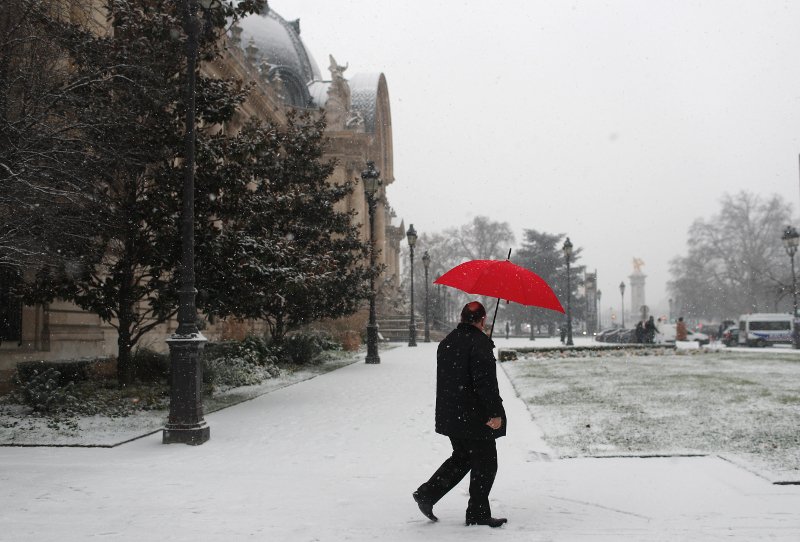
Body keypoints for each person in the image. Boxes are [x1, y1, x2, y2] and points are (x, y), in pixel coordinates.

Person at [413, 301, 508, 528]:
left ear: (462, 318)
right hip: (475, 417)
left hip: (452, 415)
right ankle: (477, 513)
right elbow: (485, 384)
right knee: (486, 463)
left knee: (463, 457)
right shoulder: (479, 344)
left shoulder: (447, 342)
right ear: (483, 320)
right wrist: (495, 413)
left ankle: (427, 494)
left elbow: (453, 379)